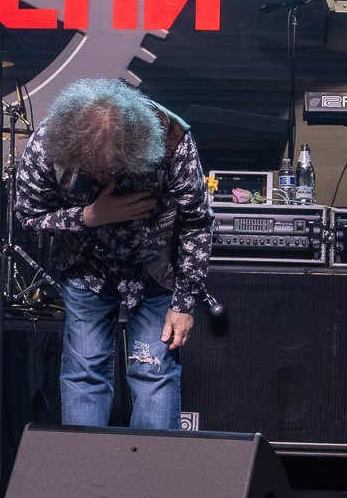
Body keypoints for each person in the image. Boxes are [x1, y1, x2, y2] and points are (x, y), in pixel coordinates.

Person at [12, 79, 212, 431]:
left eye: (112, 169)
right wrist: (89, 216)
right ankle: (86, 479)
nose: (103, 175)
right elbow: (27, 218)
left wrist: (184, 302)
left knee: (153, 371)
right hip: (86, 268)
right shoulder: (47, 143)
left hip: (154, 270)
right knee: (85, 372)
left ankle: (145, 481)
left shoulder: (172, 139)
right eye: (93, 170)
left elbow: (196, 222)